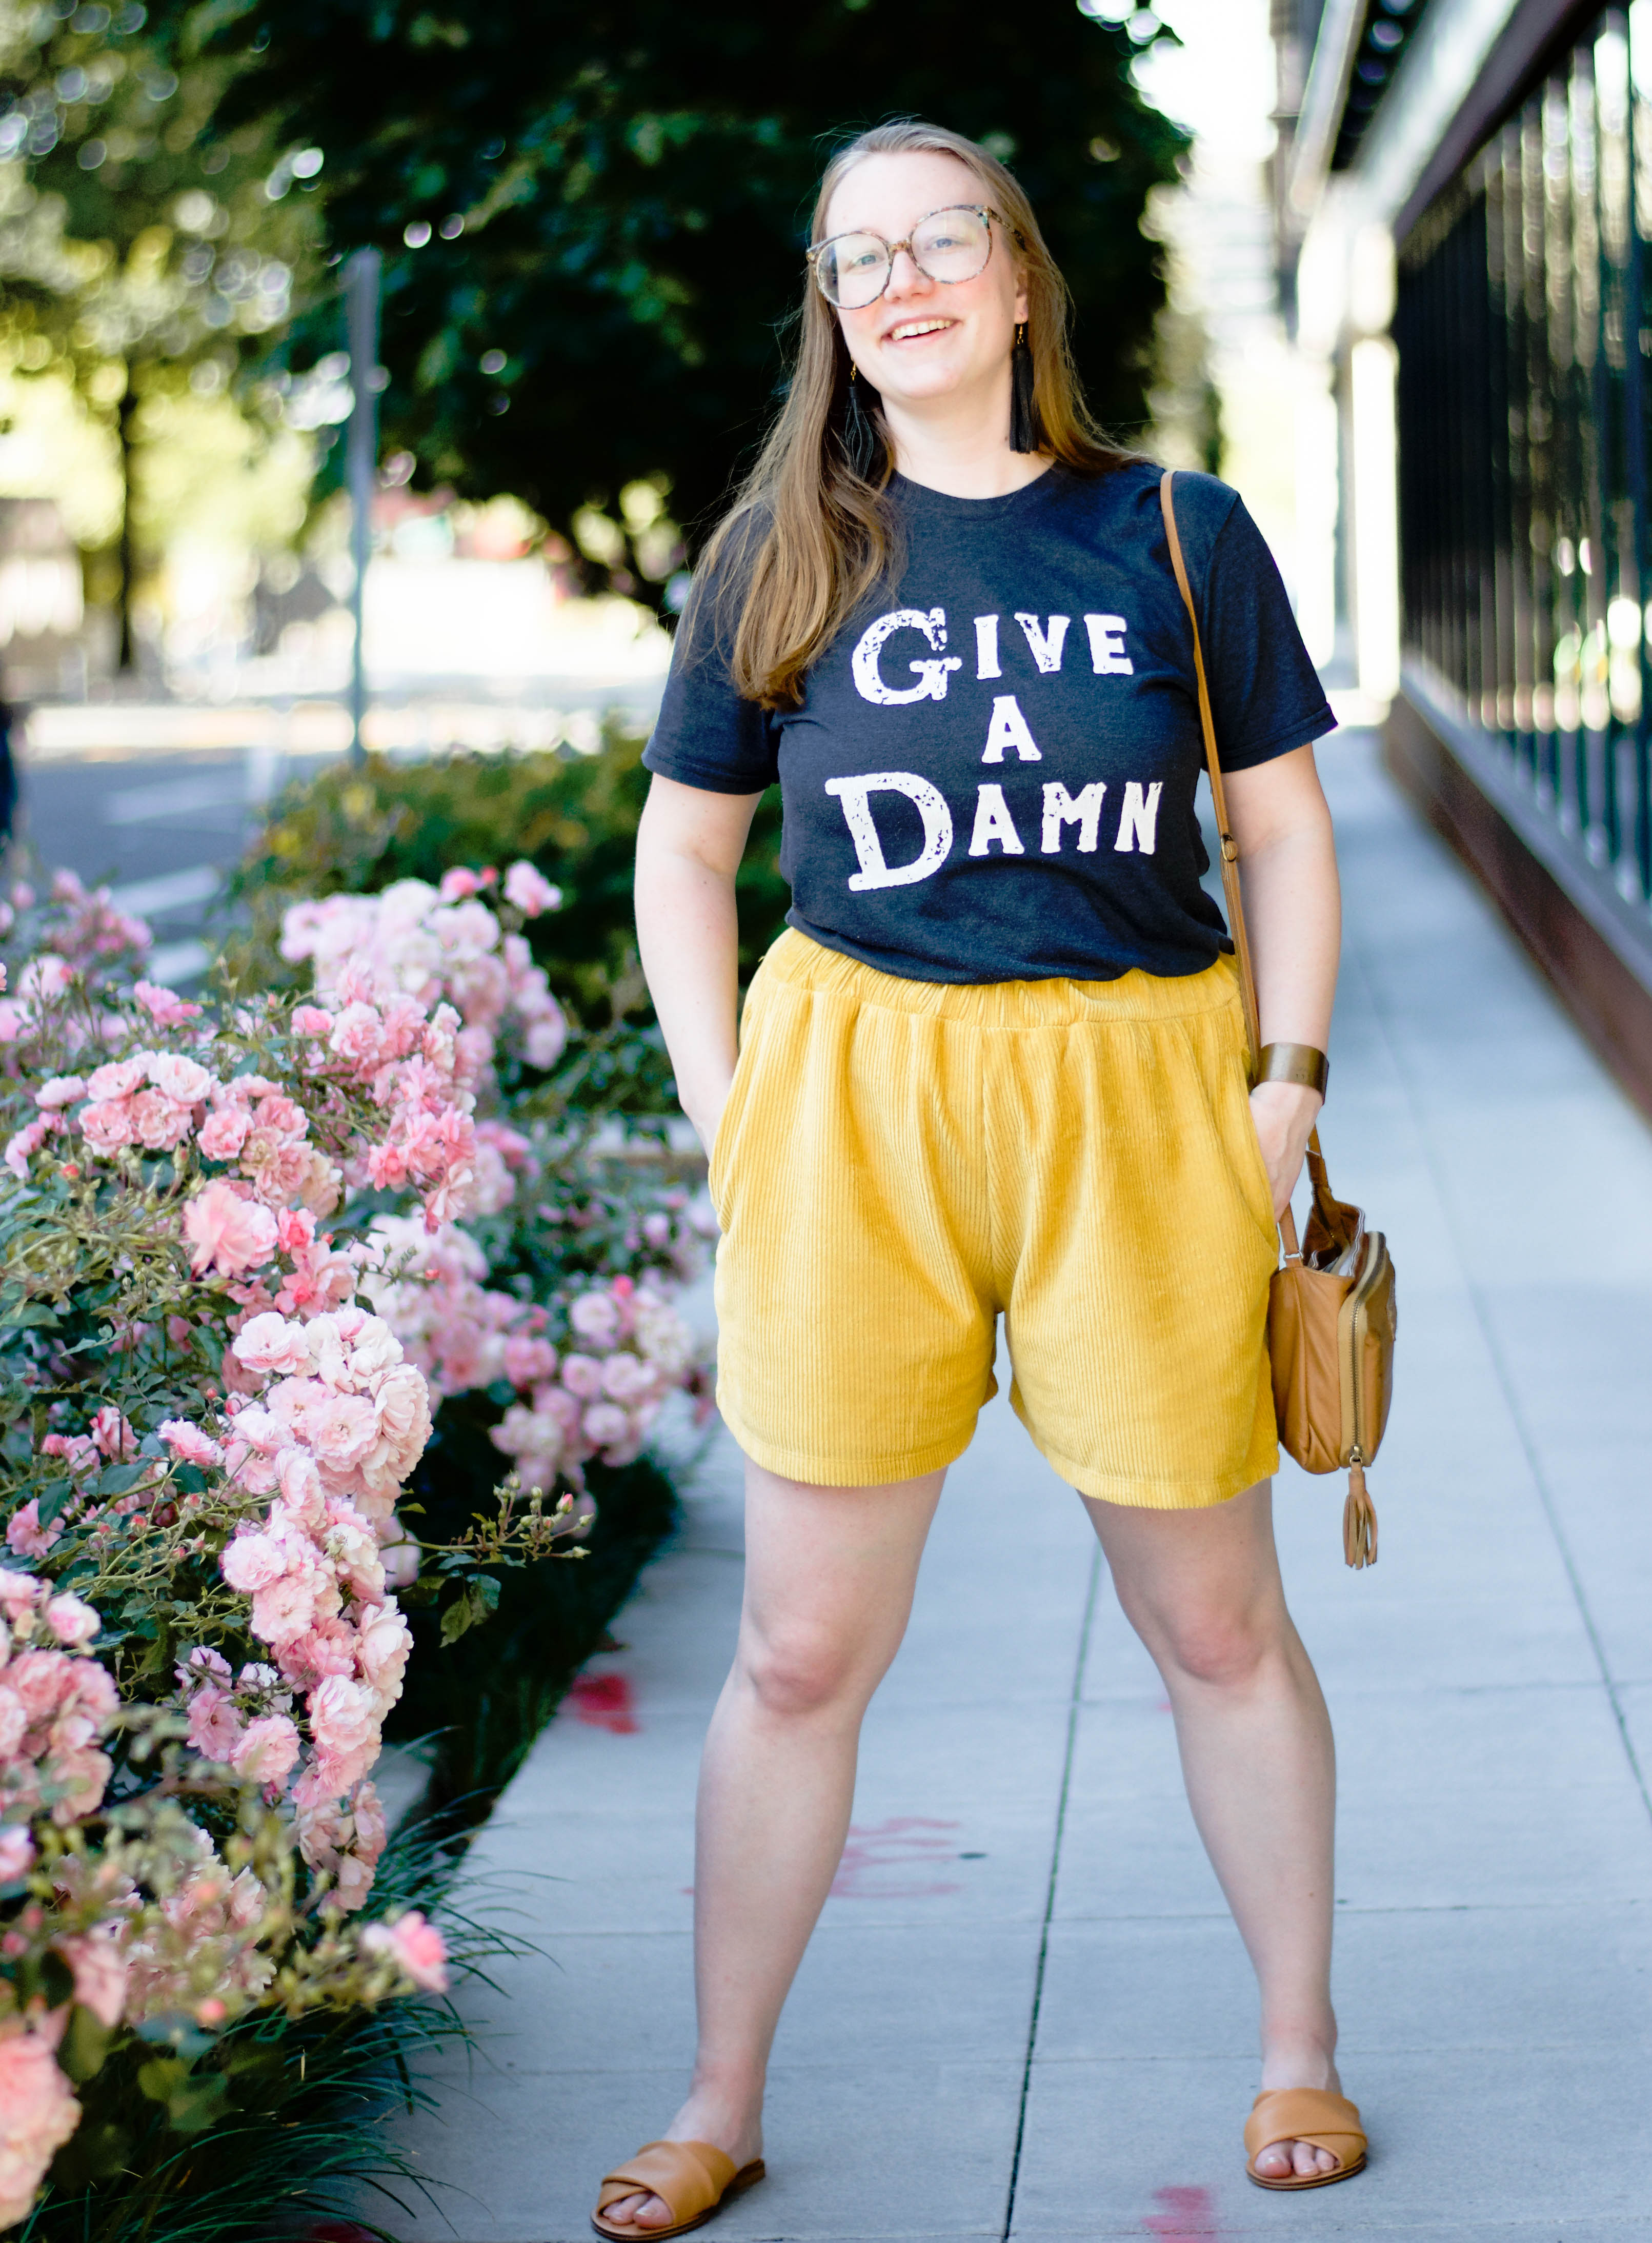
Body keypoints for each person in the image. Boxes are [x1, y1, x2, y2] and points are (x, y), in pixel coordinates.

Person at [596, 119, 1362, 2240]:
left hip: (1136, 1087)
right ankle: (719, 2094)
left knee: (1216, 1621)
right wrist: (728, 1106)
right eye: (860, 258)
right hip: (859, 1093)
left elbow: (1281, 829)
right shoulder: (779, 550)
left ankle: (1296, 2043)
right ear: (834, 315)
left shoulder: (1174, 531)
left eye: (944, 238)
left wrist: (1283, 1082)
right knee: (795, 1651)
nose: (904, 279)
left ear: (1020, 278)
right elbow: (683, 852)